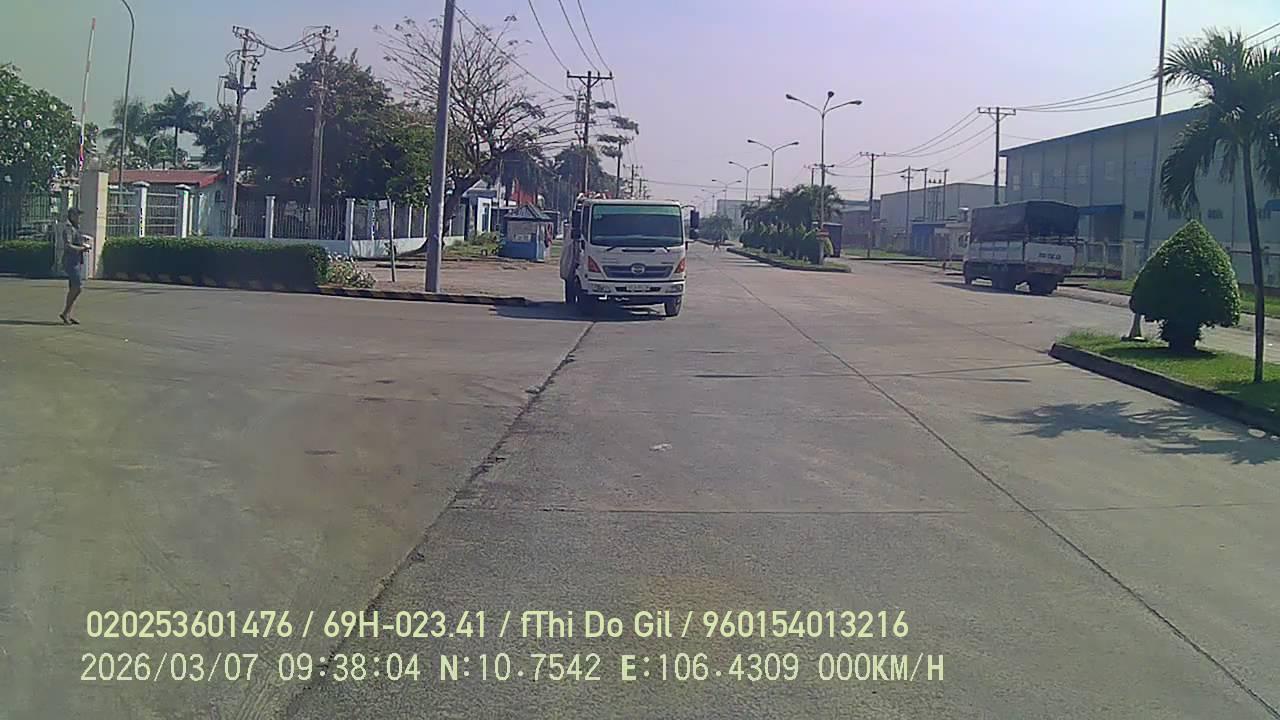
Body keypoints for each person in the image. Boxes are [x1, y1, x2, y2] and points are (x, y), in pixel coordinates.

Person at [55, 207, 93, 325]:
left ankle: (68, 314)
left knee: (73, 288)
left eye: (79, 215)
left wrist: (83, 242)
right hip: (70, 261)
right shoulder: (68, 228)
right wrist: (82, 248)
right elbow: (68, 245)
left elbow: (76, 241)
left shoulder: (76, 228)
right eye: (77, 215)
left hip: (76, 261)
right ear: (71, 216)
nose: (79, 218)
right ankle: (65, 313)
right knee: (78, 287)